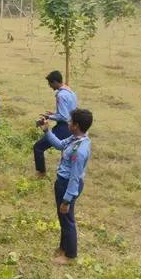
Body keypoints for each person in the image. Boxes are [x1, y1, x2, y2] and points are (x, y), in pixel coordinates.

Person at [38, 108, 93, 265]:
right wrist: (47, 130)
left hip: (68, 185)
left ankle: (70, 255)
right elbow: (60, 145)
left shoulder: (79, 150)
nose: (68, 123)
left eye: (70, 121)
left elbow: (74, 178)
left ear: (76, 125)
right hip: (63, 182)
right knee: (63, 217)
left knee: (67, 219)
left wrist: (67, 200)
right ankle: (63, 247)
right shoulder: (75, 138)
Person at [33, 70, 77, 177]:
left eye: (50, 83)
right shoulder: (71, 92)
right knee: (67, 153)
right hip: (72, 126)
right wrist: (55, 114)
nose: (50, 86)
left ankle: (41, 173)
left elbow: (64, 116)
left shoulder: (60, 95)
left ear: (55, 82)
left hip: (63, 127)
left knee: (38, 147)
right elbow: (69, 112)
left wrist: (49, 117)